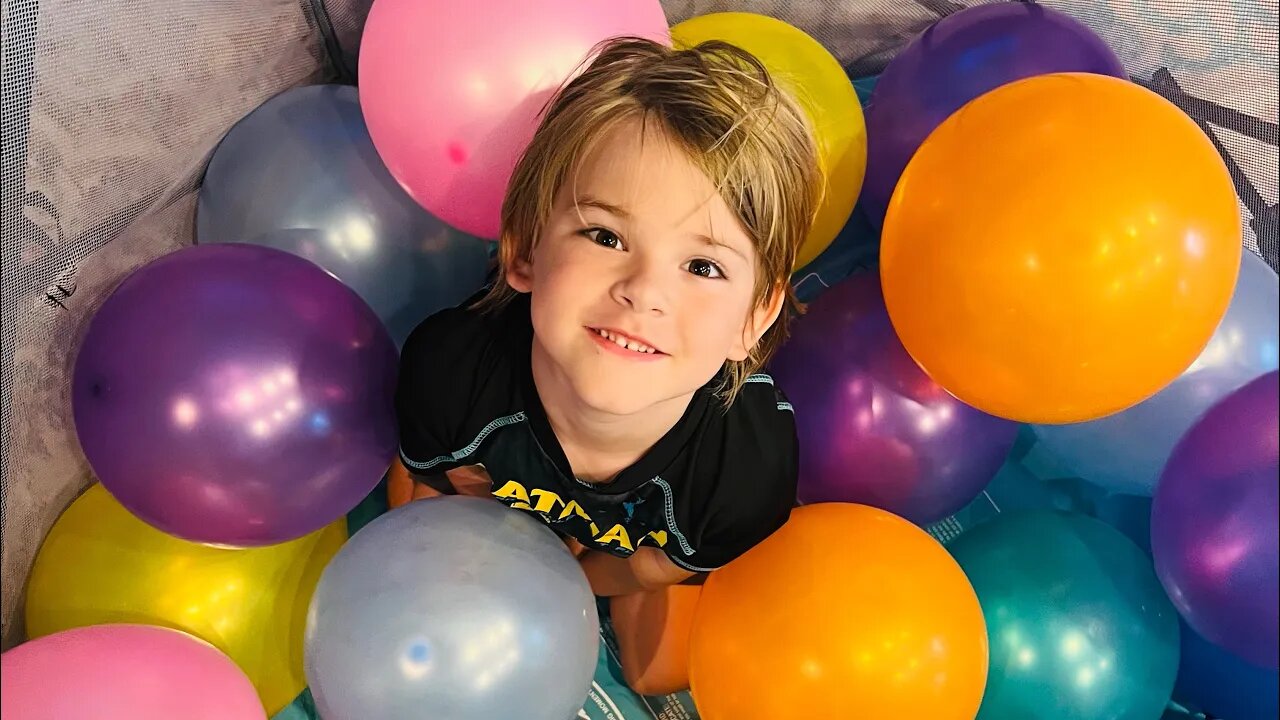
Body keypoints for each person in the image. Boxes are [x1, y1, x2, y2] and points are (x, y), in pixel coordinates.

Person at [389, 35, 822, 695]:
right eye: (606, 236)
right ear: (526, 252)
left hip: (633, 547)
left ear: (753, 320)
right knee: (413, 551)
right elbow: (453, 484)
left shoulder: (743, 474)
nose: (644, 291)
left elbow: (652, 567)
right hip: (495, 483)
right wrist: (491, 550)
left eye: (703, 267)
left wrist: (582, 576)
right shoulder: (450, 372)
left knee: (663, 668)